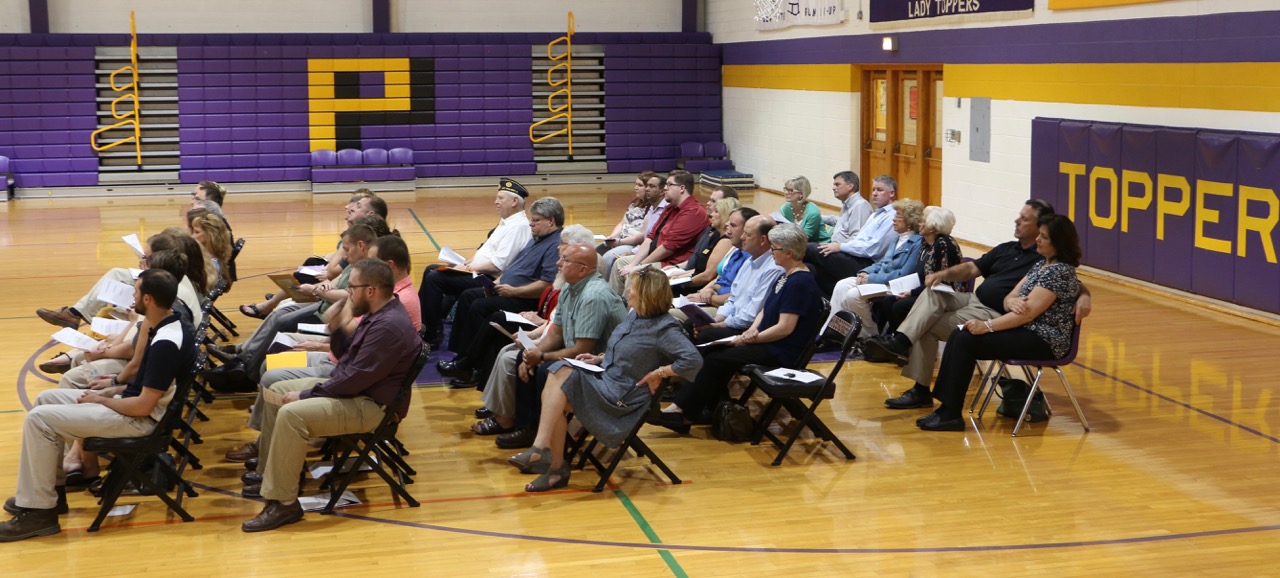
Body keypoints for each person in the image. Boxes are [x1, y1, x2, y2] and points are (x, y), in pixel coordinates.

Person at [0, 269, 197, 542]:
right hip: (130, 405)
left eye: (136, 291)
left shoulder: (166, 342)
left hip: (140, 421)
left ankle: (39, 514)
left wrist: (102, 399)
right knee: (45, 399)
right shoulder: (164, 325)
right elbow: (149, 386)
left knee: (39, 420)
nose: (132, 296)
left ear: (148, 299)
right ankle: (51, 494)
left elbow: (143, 406)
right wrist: (114, 387)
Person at [242, 259, 421, 532]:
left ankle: (284, 503)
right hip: (357, 391)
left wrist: (305, 395)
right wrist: (337, 327)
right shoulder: (379, 312)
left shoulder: (387, 326)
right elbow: (347, 361)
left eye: (352, 287)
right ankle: (276, 475)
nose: (348, 292)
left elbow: (353, 379)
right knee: (275, 390)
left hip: (372, 406)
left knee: (292, 414)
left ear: (370, 290)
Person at [865, 199, 1091, 410]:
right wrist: (943, 274)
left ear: (1040, 227)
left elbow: (1068, 281)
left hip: (994, 314)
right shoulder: (1008, 248)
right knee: (933, 291)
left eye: (1024, 219)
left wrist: (1084, 295)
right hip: (973, 300)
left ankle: (920, 388)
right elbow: (972, 268)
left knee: (925, 325)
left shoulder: (1043, 257)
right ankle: (901, 342)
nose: (1016, 221)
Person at [508, 266, 703, 492]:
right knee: (557, 375)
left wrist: (660, 373)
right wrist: (600, 358)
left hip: (622, 399)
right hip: (606, 380)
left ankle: (549, 460)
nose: (627, 291)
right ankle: (549, 459)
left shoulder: (665, 329)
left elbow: (694, 360)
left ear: (647, 294)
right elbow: (626, 352)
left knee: (558, 378)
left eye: (633, 288)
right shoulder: (636, 315)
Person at [916, 214, 1084, 431]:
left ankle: (951, 413)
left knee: (966, 340)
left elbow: (1026, 315)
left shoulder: (1059, 272)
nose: (1038, 240)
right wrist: (1010, 301)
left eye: (1044, 237)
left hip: (1044, 340)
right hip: (1026, 330)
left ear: (1059, 243)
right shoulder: (1041, 265)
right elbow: (1009, 298)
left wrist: (986, 326)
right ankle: (946, 409)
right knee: (960, 334)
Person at [651, 223, 823, 432]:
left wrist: (750, 338)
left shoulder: (800, 283)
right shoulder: (786, 275)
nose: (771, 252)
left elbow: (784, 328)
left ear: (789, 253)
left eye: (774, 248)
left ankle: (685, 415)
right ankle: (692, 408)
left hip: (780, 350)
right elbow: (765, 310)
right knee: (712, 350)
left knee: (716, 358)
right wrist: (753, 329)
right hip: (766, 340)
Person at [418, 178, 531, 347]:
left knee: (435, 278)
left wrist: (468, 268)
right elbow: (489, 251)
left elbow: (498, 265)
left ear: (514, 201)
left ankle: (430, 335)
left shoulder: (518, 226)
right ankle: (431, 325)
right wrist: (467, 263)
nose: (496, 202)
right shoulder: (507, 222)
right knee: (431, 270)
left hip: (489, 278)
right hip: (477, 270)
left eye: (500, 198)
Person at [445, 197, 564, 356]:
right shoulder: (536, 238)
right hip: (507, 290)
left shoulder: (555, 245)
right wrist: (495, 283)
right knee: (468, 296)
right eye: (531, 220)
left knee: (479, 306)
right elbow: (514, 267)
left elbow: (547, 284)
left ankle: (473, 358)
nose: (531, 224)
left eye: (536, 220)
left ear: (551, 221)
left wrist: (513, 291)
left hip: (524, 298)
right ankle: (459, 351)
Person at [825, 199, 924, 337]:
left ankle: (869, 334)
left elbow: (903, 274)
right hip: (880, 281)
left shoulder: (917, 242)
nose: (893, 219)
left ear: (910, 220)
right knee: (842, 285)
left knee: (854, 294)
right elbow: (881, 263)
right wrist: (865, 272)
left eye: (898, 216)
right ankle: (834, 331)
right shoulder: (897, 238)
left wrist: (871, 278)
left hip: (894, 286)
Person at [610, 170, 709, 296]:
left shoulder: (693, 212)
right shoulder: (670, 207)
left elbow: (668, 248)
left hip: (672, 263)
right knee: (620, 263)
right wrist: (634, 263)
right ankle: (616, 304)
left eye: (669, 185)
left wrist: (640, 265)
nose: (665, 188)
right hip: (660, 257)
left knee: (636, 272)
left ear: (682, 188)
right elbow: (650, 238)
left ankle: (631, 306)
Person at [870, 206, 963, 336]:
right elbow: (920, 275)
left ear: (933, 227)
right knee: (888, 300)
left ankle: (904, 340)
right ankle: (892, 337)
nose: (919, 223)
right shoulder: (925, 244)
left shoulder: (944, 244)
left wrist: (912, 292)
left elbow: (940, 282)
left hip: (940, 296)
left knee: (900, 306)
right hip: (924, 290)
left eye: (923, 221)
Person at [804, 175, 900, 295]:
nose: (874, 193)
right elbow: (859, 239)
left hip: (866, 263)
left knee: (808, 248)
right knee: (810, 268)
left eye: (879, 190)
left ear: (892, 193)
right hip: (854, 255)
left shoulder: (891, 216)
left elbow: (874, 249)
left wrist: (840, 246)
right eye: (873, 190)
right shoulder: (876, 214)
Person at [669, 195, 739, 294]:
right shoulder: (714, 235)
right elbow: (699, 270)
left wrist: (681, 283)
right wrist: (679, 276)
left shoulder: (726, 241)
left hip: (700, 288)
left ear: (725, 216)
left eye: (716, 212)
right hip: (694, 281)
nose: (711, 215)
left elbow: (708, 275)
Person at [597, 172, 661, 275]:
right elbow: (622, 223)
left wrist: (620, 242)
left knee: (608, 258)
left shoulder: (651, 208)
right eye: (636, 184)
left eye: (640, 185)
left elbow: (643, 236)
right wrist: (613, 237)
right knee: (597, 251)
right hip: (620, 240)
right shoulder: (635, 202)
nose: (636, 188)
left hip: (633, 244)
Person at [822, 171, 871, 243]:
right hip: (835, 246)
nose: (833, 188)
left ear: (850, 186)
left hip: (842, 248)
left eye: (837, 185)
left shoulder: (860, 206)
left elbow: (857, 238)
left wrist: (838, 246)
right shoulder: (847, 203)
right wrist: (816, 216)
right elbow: (840, 221)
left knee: (808, 246)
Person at [779, 176, 830, 243]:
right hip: (796, 243)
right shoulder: (785, 209)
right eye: (786, 189)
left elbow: (805, 237)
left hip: (819, 244)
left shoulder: (813, 212)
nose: (786, 193)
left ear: (801, 194)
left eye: (790, 191)